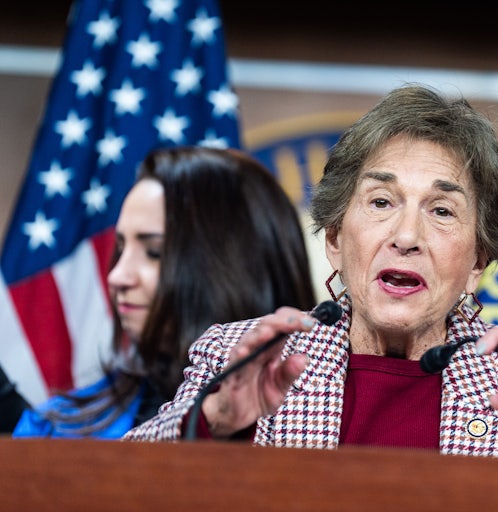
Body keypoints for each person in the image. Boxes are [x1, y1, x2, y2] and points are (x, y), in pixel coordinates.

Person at [123, 84, 498, 463]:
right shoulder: (238, 361)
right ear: (336, 240)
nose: (406, 236)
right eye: (381, 201)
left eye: (442, 211)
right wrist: (214, 422)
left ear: (478, 262)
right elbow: (117, 482)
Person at [12, 146, 316, 438]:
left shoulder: (333, 422)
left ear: (236, 267)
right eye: (120, 249)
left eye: (154, 252)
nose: (117, 276)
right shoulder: (53, 428)